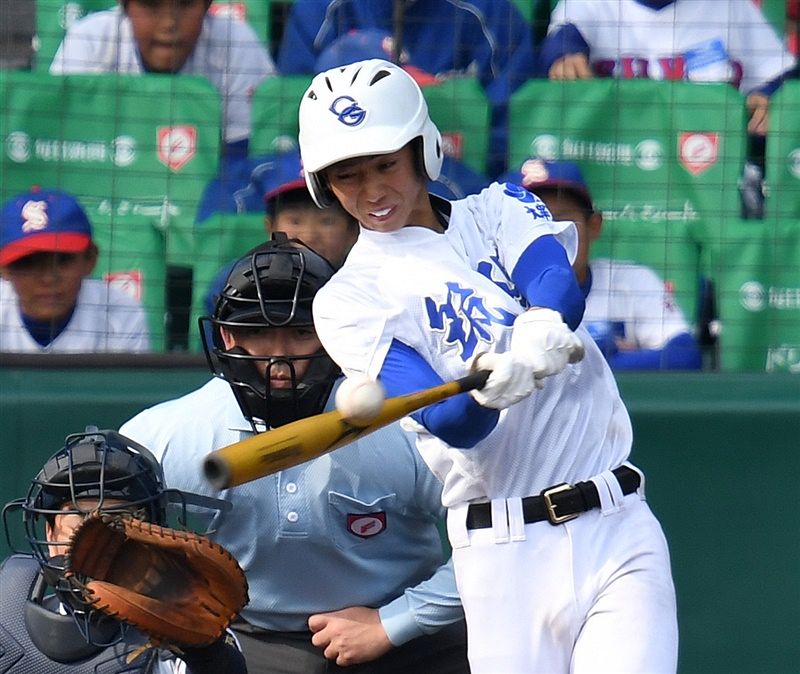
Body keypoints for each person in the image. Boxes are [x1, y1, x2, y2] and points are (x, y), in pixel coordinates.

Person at [298, 58, 678, 673]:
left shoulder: (496, 208)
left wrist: (539, 327)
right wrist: (495, 384)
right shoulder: (347, 300)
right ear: (324, 184)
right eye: (347, 175)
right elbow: (456, 423)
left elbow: (558, 285)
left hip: (617, 521)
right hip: (504, 551)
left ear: (422, 151)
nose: (371, 191)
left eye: (385, 164)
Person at [119, 239, 470, 673]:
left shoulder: (406, 426)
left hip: (407, 635)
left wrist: (394, 623)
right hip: (237, 638)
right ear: (227, 335)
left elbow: (492, 538)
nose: (279, 357)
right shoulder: (163, 436)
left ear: (334, 331)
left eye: (301, 332)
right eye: (258, 332)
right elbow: (86, 531)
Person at [0, 427, 246, 673]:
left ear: (152, 536)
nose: (95, 538)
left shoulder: (182, 637)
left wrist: (207, 657)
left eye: (116, 521)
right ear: (49, 534)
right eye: (79, 517)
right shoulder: (5, 606)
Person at [538, 0, 798, 218]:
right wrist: (564, 57)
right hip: (613, 177)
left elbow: (783, 76)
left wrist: (767, 97)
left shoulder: (728, 5)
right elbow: (561, 44)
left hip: (706, 185)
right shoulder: (589, 4)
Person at [276, 0, 537, 176]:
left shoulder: (489, 11)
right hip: (342, 178)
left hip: (454, 179)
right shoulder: (320, 8)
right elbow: (294, 112)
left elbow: (514, 127)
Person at [499, 158, 703, 370]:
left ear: (593, 226)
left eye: (561, 220)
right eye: (532, 223)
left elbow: (685, 357)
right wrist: (602, 357)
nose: (549, 232)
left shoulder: (631, 280)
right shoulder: (493, 295)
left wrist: (580, 362)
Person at [50, 0, 276, 157]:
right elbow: (63, 145)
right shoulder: (90, 39)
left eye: (184, 4)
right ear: (125, 5)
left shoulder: (235, 40)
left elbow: (241, 157)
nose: (169, 23)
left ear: (207, 5)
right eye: (151, 5)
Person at [0, 187, 150, 353]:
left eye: (62, 260)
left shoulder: (120, 314)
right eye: (28, 263)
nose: (48, 278)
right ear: (4, 269)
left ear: (90, 260)